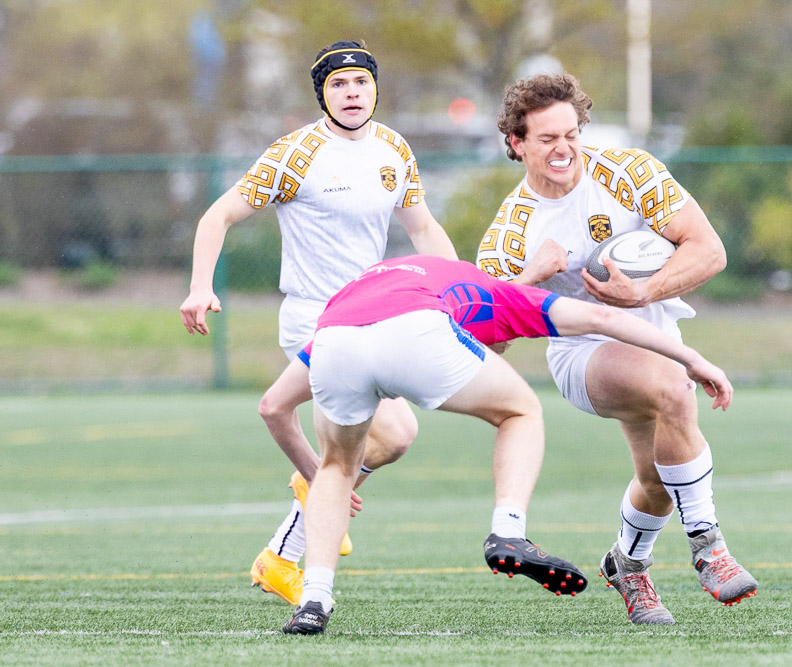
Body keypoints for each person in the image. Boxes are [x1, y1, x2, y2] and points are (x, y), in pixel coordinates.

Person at [279, 254, 733, 634]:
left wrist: (318, 479)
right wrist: (692, 359)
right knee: (521, 411)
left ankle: (314, 601)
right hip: (414, 330)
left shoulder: (378, 288)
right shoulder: (493, 292)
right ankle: (509, 532)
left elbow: (272, 407)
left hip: (332, 337)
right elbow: (602, 317)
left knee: (337, 468)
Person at [179, 40, 458, 606]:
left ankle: (285, 544)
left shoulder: (393, 149)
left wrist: (458, 292)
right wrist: (200, 286)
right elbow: (218, 215)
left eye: (360, 82)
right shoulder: (295, 153)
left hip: (375, 312)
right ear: (322, 95)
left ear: (375, 89)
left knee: (393, 439)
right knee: (384, 437)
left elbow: (423, 228)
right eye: (337, 85)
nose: (351, 93)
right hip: (315, 317)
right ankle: (306, 512)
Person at [476, 72, 758, 625]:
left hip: (654, 336)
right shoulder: (511, 232)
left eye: (571, 133)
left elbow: (709, 251)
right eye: (546, 139)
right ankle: (709, 546)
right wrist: (530, 277)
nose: (564, 149)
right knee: (671, 386)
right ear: (516, 143)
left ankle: (629, 565)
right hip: (582, 356)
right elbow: (492, 339)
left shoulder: (628, 172)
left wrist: (644, 292)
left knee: (656, 483)